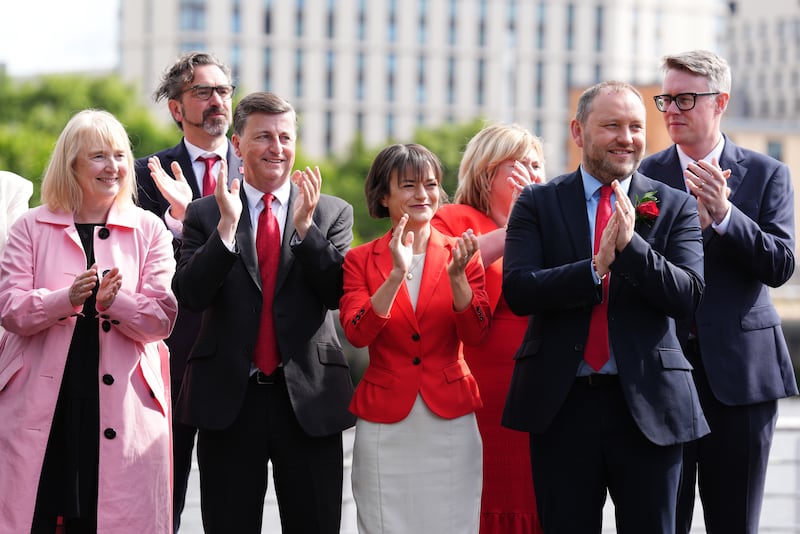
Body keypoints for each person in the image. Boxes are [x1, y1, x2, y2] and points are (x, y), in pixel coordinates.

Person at [502, 81, 709, 533]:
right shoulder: (538, 203)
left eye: (635, 126)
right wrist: (594, 269)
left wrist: (632, 247)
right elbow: (518, 290)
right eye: (611, 125)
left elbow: (688, 294)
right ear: (577, 132)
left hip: (651, 406)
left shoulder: (671, 205)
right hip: (562, 406)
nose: (627, 137)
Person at [172, 91, 356, 534]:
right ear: (236, 145)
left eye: (286, 137)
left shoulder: (332, 212)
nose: (277, 147)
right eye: (264, 137)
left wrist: (307, 231)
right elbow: (190, 295)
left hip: (309, 401)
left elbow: (337, 292)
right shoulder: (204, 213)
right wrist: (226, 229)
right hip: (230, 401)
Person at [639, 49, 797, 534]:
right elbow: (632, 266)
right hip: (665, 377)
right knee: (665, 521)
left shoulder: (768, 173)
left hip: (743, 379)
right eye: (666, 99)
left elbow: (781, 265)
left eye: (685, 99)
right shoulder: (645, 176)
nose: (670, 111)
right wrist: (685, 230)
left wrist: (726, 218)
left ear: (720, 101)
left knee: (736, 522)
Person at [0, 109, 178, 533]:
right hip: (44, 404)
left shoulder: (149, 228)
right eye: (98, 156)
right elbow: (10, 309)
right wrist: (67, 298)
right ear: (71, 163)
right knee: (34, 514)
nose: (113, 166)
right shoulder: (30, 226)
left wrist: (114, 303)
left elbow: (162, 318)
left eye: (119, 155)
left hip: (124, 407)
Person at [339, 143, 491, 533]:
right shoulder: (361, 259)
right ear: (383, 196)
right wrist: (395, 275)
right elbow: (357, 333)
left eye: (431, 184)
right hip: (385, 423)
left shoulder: (463, 253)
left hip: (451, 420)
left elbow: (476, 333)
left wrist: (459, 279)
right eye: (409, 185)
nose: (423, 195)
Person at [134, 51, 243, 532]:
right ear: (177, 108)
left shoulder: (262, 161)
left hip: (243, 359)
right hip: (170, 358)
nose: (217, 100)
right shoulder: (142, 175)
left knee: (235, 502)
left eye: (223, 90)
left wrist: (190, 214)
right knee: (162, 497)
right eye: (203, 92)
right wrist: (189, 220)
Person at [432, 123, 545, 534]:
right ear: (485, 173)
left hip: (541, 388)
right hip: (480, 393)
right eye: (519, 166)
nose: (531, 176)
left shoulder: (551, 226)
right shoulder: (455, 219)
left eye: (536, 166)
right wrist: (518, 226)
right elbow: (447, 269)